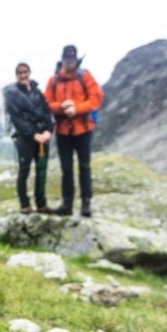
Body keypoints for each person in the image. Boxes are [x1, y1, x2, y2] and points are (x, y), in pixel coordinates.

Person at [44, 45, 104, 217]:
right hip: (63, 132)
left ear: (75, 59)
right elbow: (47, 102)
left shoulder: (85, 76)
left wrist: (76, 109)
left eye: (72, 59)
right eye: (67, 59)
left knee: (84, 166)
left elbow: (96, 98)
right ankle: (67, 204)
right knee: (66, 169)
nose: (69, 62)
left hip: (84, 130)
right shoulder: (53, 80)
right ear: (62, 59)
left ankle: (86, 204)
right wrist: (62, 108)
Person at [3, 62, 54, 214]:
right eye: (20, 73)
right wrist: (33, 134)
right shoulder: (12, 94)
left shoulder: (38, 91)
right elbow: (16, 118)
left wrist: (49, 130)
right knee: (24, 171)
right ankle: (25, 205)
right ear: (16, 75)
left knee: (41, 170)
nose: (23, 75)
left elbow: (47, 111)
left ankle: (41, 204)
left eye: (25, 72)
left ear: (29, 72)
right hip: (25, 138)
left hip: (43, 138)